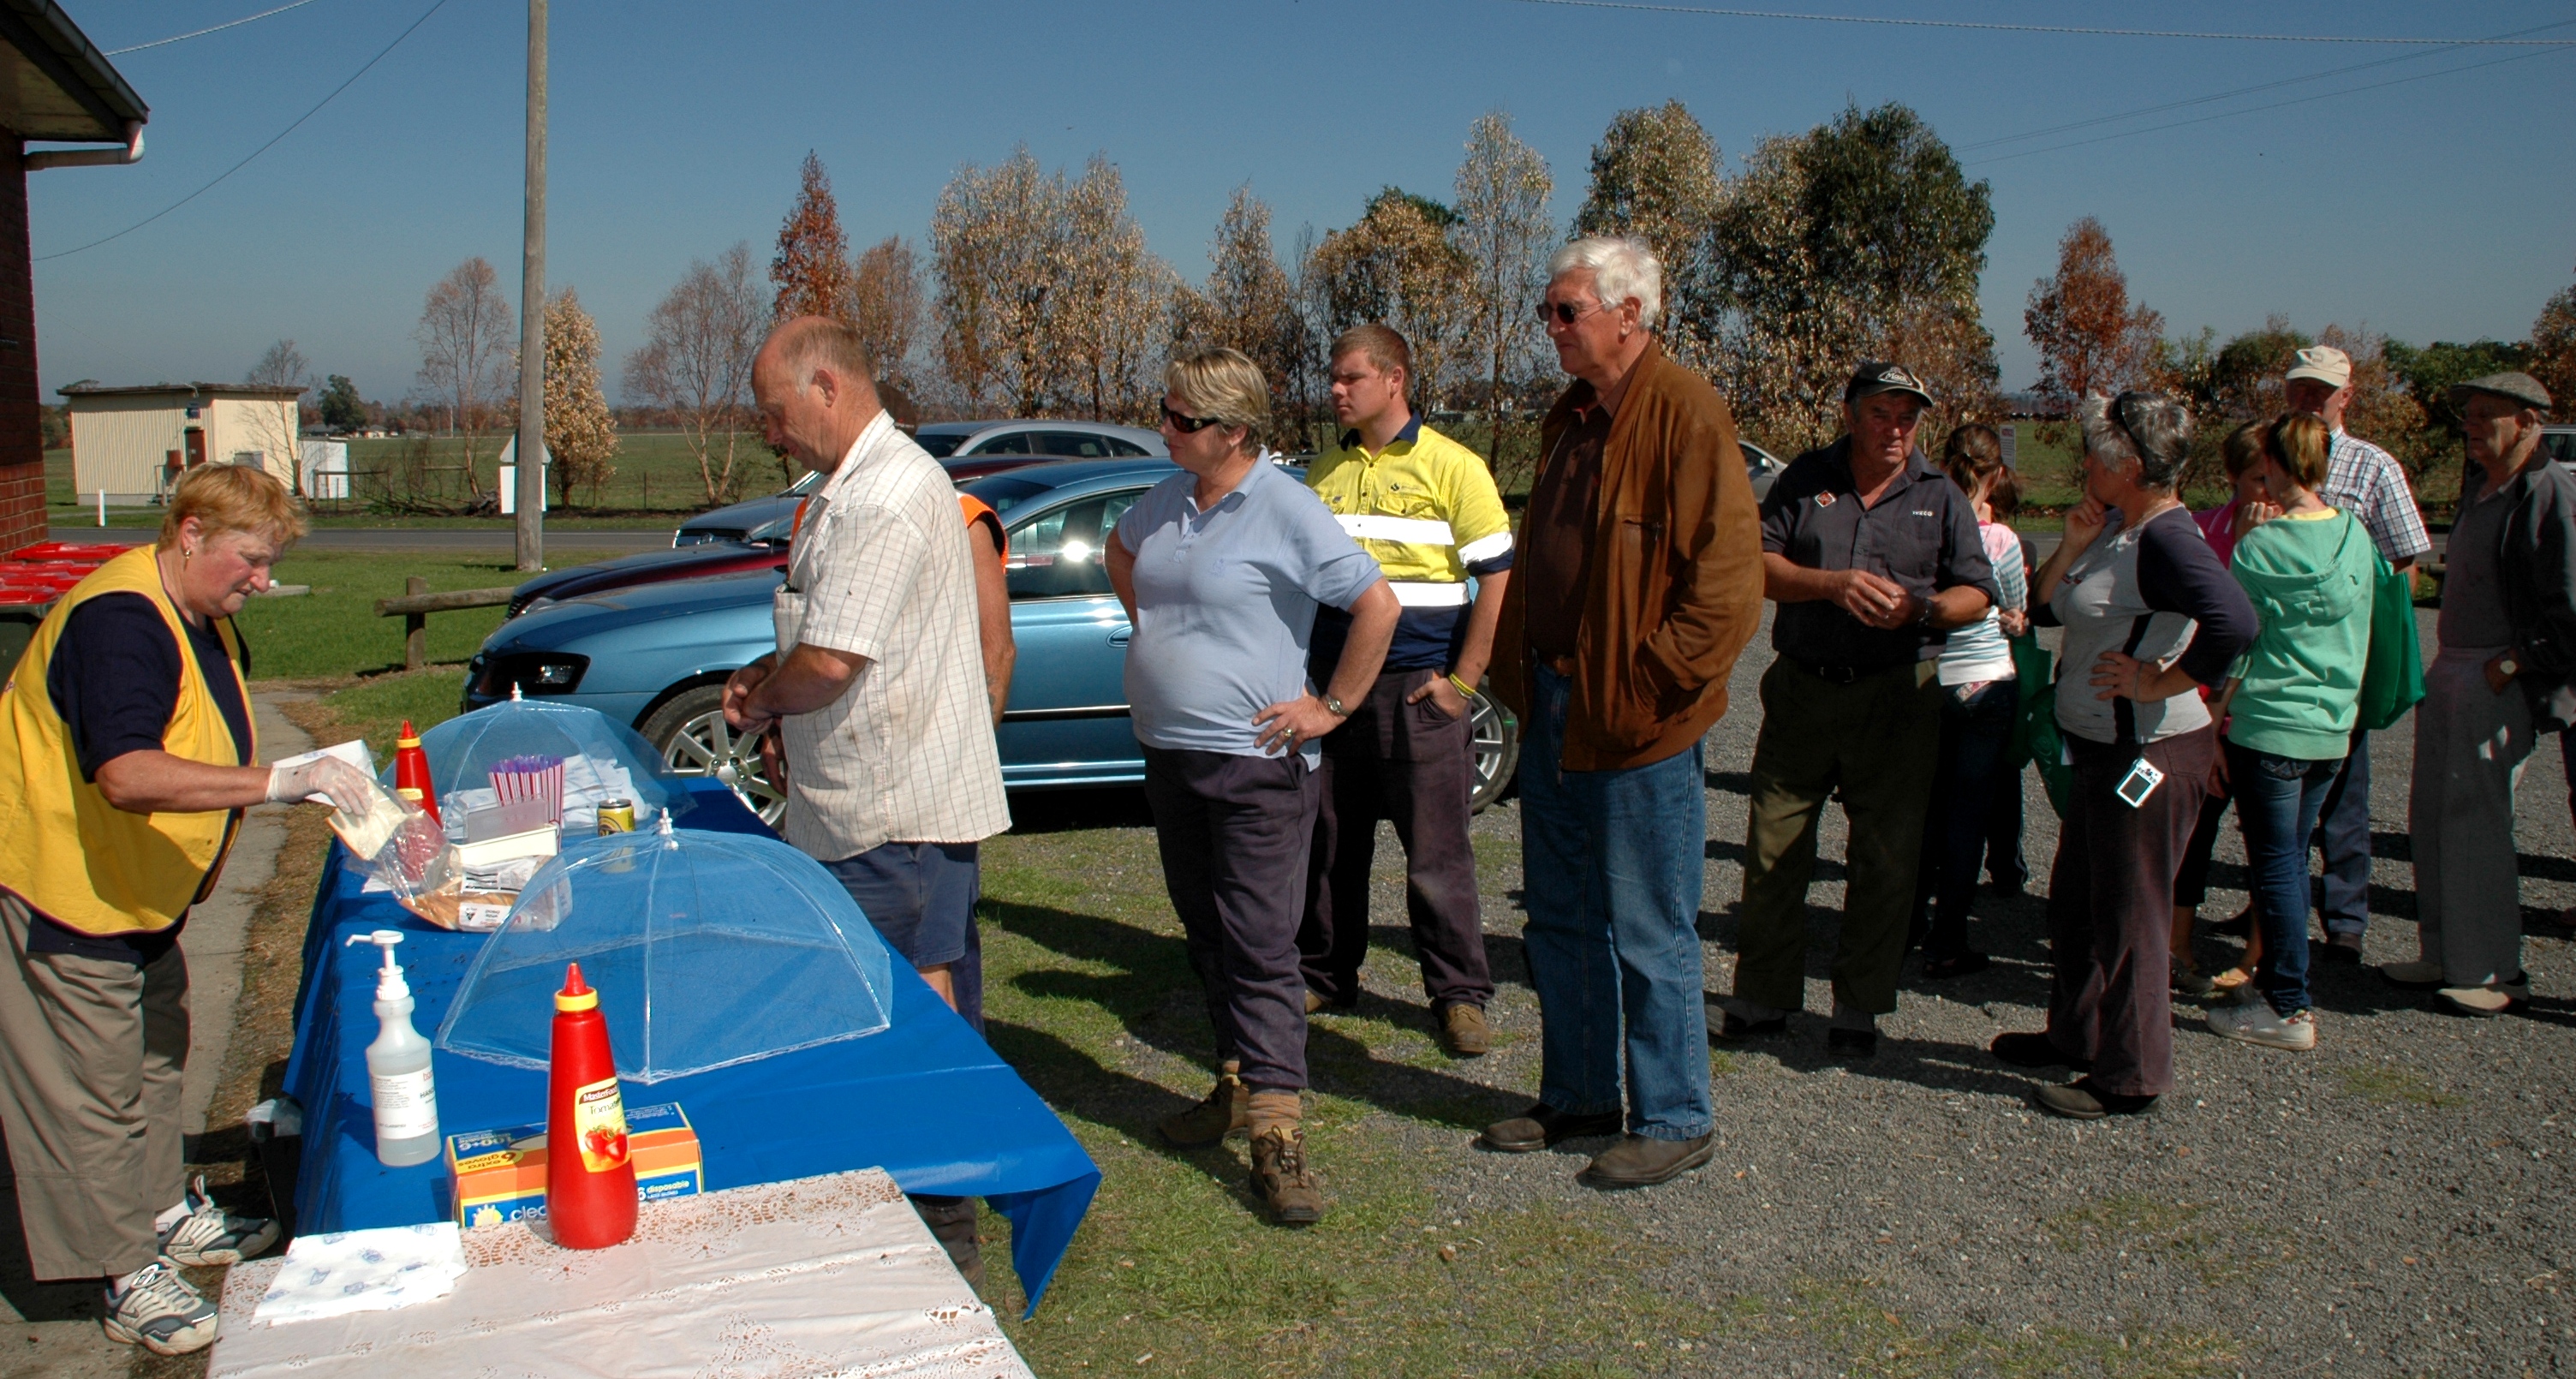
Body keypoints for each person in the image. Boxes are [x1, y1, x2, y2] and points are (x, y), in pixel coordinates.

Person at [0, 463, 370, 1357]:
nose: (261, 579)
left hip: (135, 895)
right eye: (249, 558)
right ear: (190, 531)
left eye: (270, 562)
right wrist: (284, 780)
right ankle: (121, 1268)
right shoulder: (121, 621)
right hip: (61, 891)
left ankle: (163, 1210)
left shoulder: (190, 611)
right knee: (89, 1089)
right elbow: (126, 771)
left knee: (156, 1056)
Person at [723, 316, 1012, 1281]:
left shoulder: (884, 498)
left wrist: (766, 693)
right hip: (867, 810)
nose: (769, 432)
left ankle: (940, 1246)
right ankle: (898, 1225)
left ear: (827, 388)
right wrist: (777, 698)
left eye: (774, 412)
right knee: (878, 1023)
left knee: (915, 1029)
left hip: (896, 824)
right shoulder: (852, 492)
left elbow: (834, 659)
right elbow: (834, 643)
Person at [1476, 236, 1764, 1190]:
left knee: (1648, 924)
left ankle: (1676, 1114)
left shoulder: (1685, 410)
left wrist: (1645, 686)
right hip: (1559, 703)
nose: (1550, 328)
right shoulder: (1572, 417)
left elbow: (1725, 583)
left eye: (1567, 311)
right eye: (1548, 312)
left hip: (1636, 718)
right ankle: (1582, 1095)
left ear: (1630, 315)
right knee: (1560, 914)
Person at [1106, 346, 1398, 1224]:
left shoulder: (1284, 505)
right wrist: (1164, 644)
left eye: (1181, 419)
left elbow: (1377, 605)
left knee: (1263, 944)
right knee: (1209, 934)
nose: (1163, 428)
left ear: (1234, 431)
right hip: (1172, 755)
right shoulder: (1163, 500)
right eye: (1163, 410)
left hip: (1257, 766)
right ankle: (1234, 1084)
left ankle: (1277, 1130)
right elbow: (1125, 560)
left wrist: (1330, 705)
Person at [1991, 391, 2256, 1120]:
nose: (2081, 464)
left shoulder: (2169, 537)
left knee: (2132, 910)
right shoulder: (2116, 527)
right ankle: (2076, 1037)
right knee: (2077, 900)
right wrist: (2074, 544)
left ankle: (2132, 1076)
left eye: (2095, 455)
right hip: (2100, 750)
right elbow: (2044, 611)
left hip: (2150, 754)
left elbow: (2236, 621)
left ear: (2131, 466)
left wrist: (2160, 679)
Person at [1724, 362, 1997, 1054]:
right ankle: (1763, 996)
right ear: (1849, 414)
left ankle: (1858, 1008)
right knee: (1774, 845)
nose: (1897, 429)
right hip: (1804, 689)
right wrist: (1831, 585)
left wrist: (1923, 608)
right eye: (1882, 413)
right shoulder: (1805, 480)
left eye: (1909, 416)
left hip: (1896, 695)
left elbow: (1978, 592)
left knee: (1885, 857)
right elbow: (1758, 565)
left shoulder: (1941, 494)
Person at [1297, 324, 1513, 1054]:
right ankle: (1326, 973)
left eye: (1350, 377)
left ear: (1395, 380)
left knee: (1438, 854)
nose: (1335, 389)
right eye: (1333, 376)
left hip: (1421, 691)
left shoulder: (1455, 467)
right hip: (1335, 691)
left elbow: (1496, 577)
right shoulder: (1323, 469)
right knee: (1329, 844)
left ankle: (1458, 995)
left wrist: (1463, 682)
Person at [2391, 372, 2571, 1015]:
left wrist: (2517, 664)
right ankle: (2444, 951)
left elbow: (2570, 603)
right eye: (2467, 414)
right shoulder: (2482, 486)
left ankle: (2494, 972)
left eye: (2487, 415)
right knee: (2433, 814)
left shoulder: (2550, 491)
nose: (2471, 425)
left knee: (2478, 823)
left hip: (2496, 673)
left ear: (2528, 422)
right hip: (2455, 664)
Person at [2204, 413, 2378, 1051]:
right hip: (2331, 726)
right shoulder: (2354, 534)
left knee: (2275, 867)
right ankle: (2283, 987)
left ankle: (2288, 1002)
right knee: (2294, 860)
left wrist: (2218, 724)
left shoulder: (2261, 546)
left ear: (2274, 466)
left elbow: (2237, 642)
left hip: (2271, 725)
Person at [2286, 346, 2432, 964]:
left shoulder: (2374, 466)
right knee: (2276, 791)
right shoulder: (2275, 453)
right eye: (2302, 388)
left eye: (2324, 390)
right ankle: (2279, 904)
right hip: (2283, 653)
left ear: (2347, 395)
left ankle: (2345, 917)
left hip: (2345, 655)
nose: (2311, 399)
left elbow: (2406, 563)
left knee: (2344, 790)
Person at [1908, 423, 2025, 979]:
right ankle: (1948, 939)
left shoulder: (1928, 527)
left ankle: (1906, 924)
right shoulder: (2001, 541)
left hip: (1937, 678)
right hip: (1987, 678)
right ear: (1996, 476)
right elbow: (2016, 613)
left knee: (1926, 812)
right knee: (1967, 820)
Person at [2170, 421, 2280, 1000]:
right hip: (2202, 706)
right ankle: (2177, 945)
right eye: (2259, 477)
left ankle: (2257, 959)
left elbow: (2262, 628)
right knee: (2194, 832)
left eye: (2277, 476)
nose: (2270, 489)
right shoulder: (2203, 530)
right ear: (2233, 477)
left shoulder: (2294, 535)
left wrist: (2261, 550)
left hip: (2265, 711)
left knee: (2270, 840)